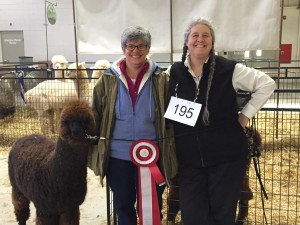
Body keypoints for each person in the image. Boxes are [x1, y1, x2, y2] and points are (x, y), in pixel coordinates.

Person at [167, 18, 276, 225]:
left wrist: (245, 116)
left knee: (222, 216)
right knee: (192, 216)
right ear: (186, 42)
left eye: (205, 35)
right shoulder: (173, 72)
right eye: (195, 35)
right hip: (189, 160)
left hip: (226, 157)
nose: (200, 39)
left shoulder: (229, 69)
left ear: (212, 41)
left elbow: (266, 83)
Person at [87, 26, 178, 225]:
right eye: (130, 46)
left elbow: (172, 113)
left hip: (154, 155)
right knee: (122, 205)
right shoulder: (108, 79)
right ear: (123, 48)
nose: (135, 50)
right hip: (118, 155)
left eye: (141, 46)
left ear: (147, 49)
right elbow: (96, 112)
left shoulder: (161, 79)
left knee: (152, 207)